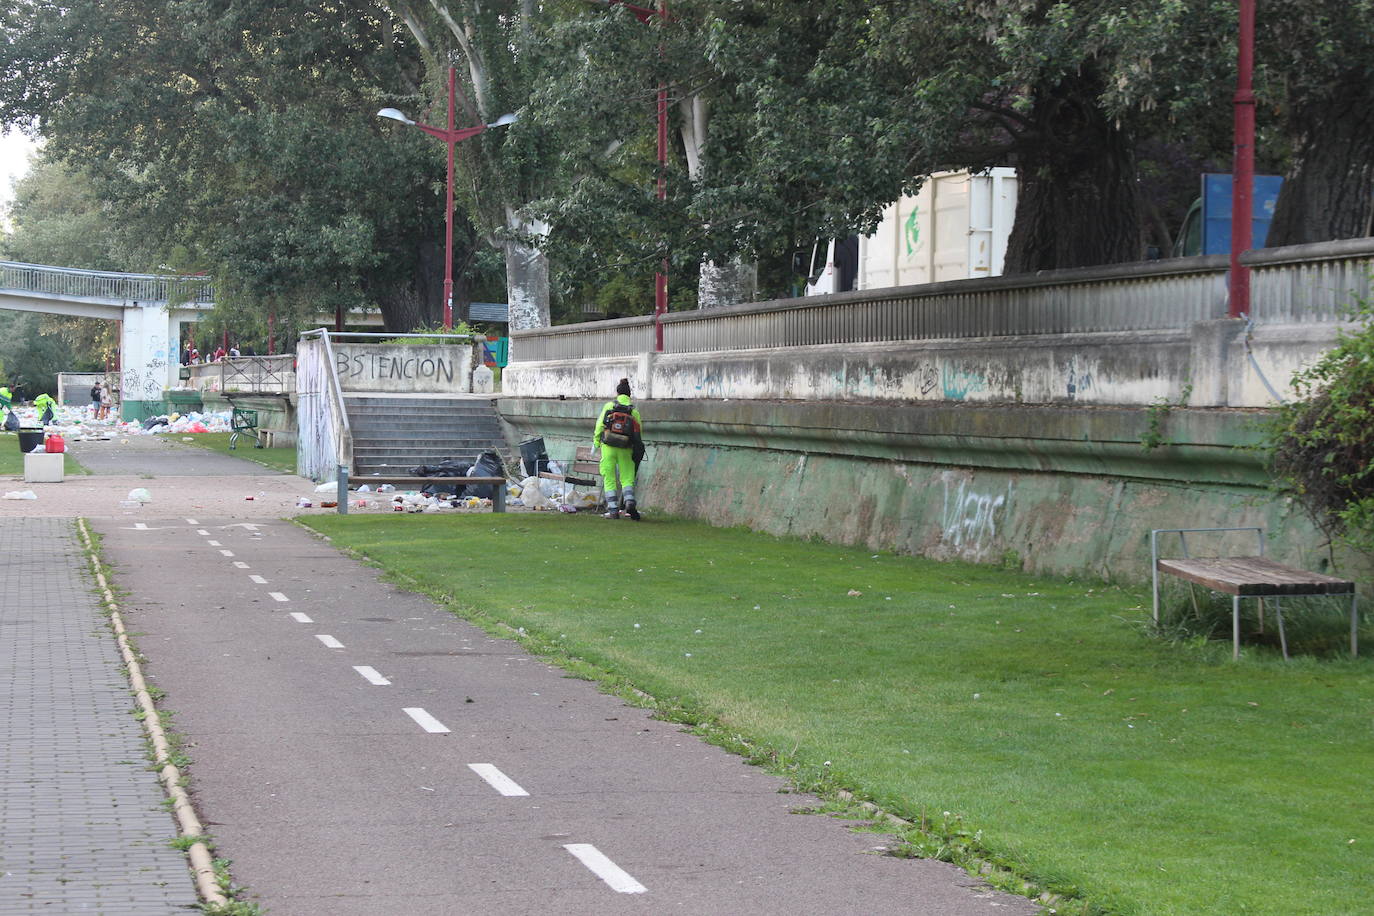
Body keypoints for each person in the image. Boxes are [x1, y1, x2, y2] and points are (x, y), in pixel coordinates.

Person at [593, 378, 644, 520]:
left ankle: (613, 510)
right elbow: (638, 433)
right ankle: (629, 501)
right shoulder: (634, 411)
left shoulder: (609, 406)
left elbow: (599, 426)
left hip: (608, 447)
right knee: (627, 477)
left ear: (617, 393)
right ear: (629, 395)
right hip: (626, 447)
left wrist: (596, 442)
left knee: (609, 477)